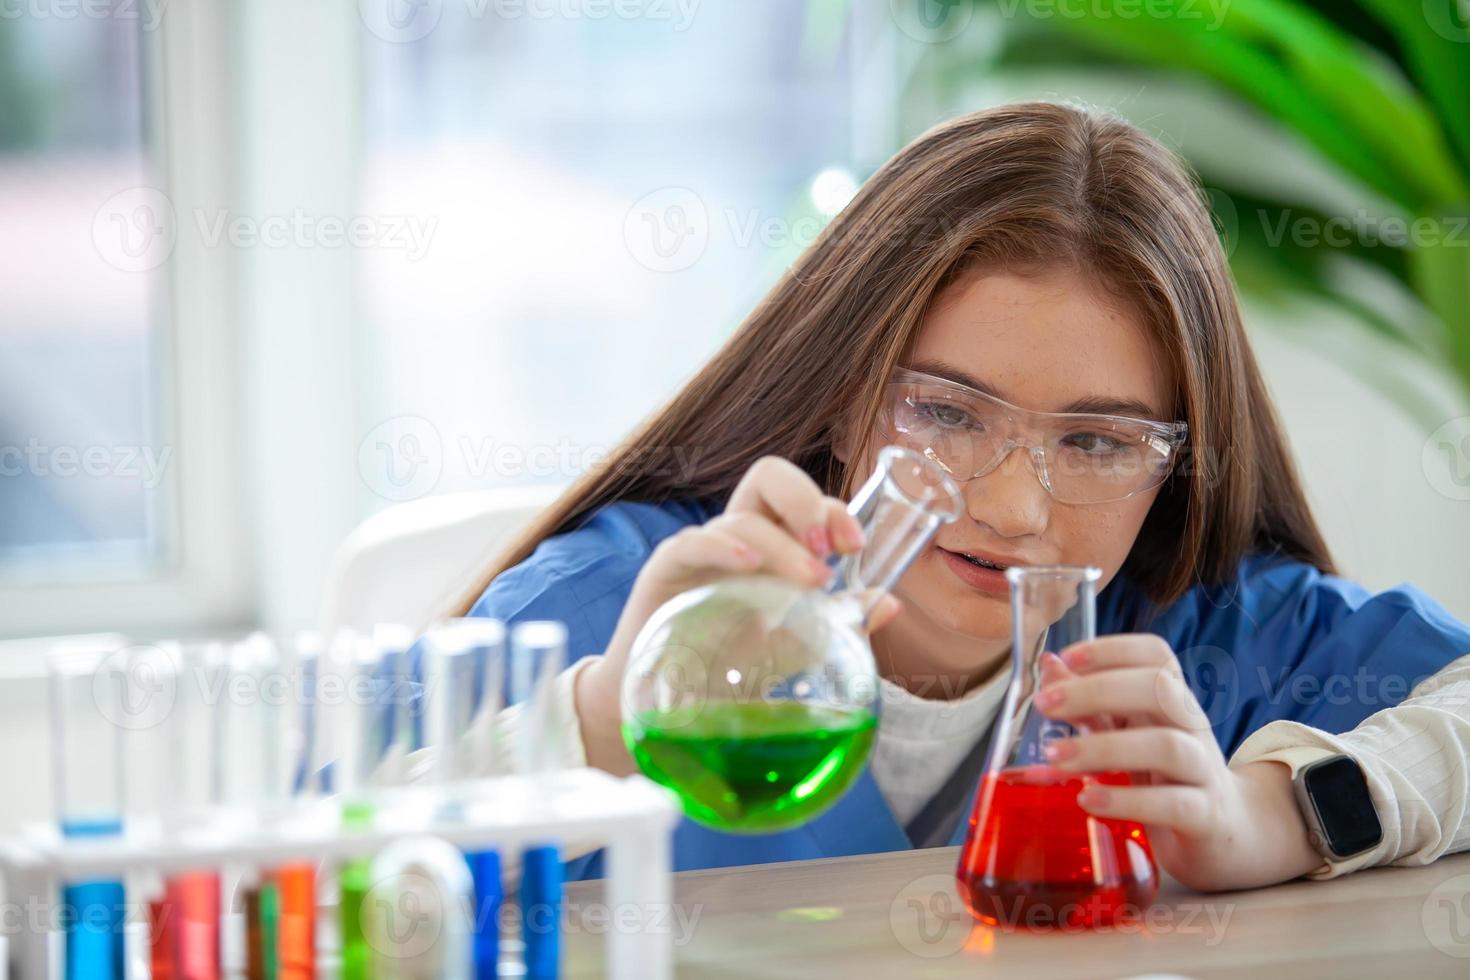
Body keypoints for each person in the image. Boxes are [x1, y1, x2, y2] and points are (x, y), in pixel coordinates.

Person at [450, 102, 1470, 889]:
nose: (1015, 509)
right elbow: (319, 864)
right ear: (841, 397)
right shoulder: (623, 609)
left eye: (1098, 440)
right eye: (946, 413)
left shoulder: (1212, 639)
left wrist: (1276, 816)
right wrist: (592, 725)